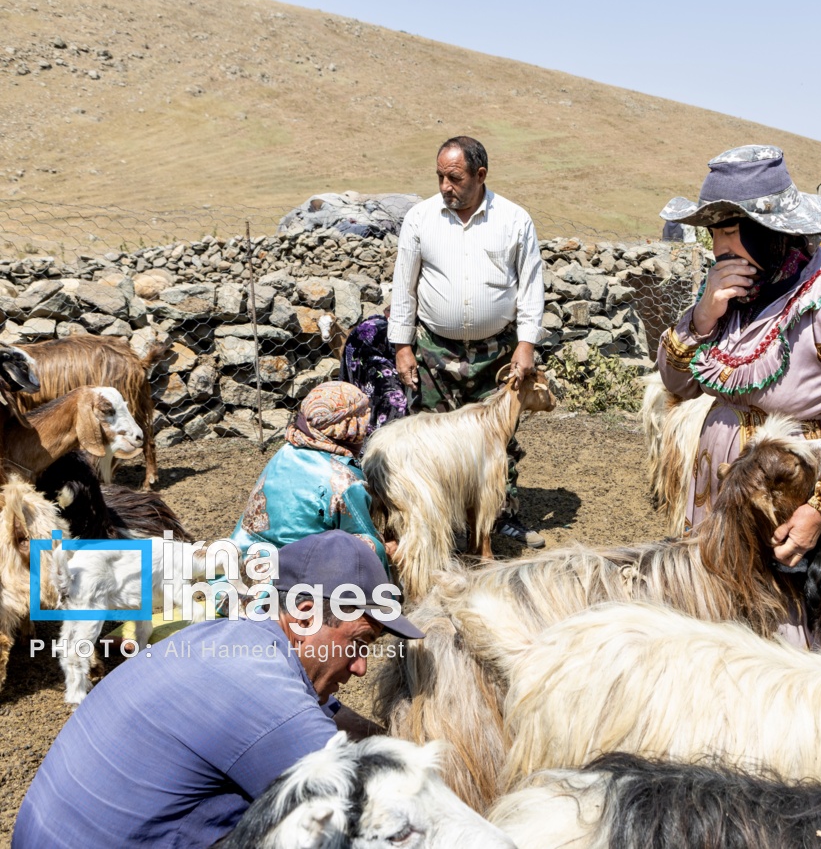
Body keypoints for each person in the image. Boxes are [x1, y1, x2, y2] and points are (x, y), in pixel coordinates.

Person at [13, 531, 426, 848]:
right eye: (358, 643)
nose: (360, 667)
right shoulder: (269, 699)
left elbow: (324, 710)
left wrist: (384, 737)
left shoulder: (232, 639)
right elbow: (387, 811)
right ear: (304, 616)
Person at [655, 145, 821, 631]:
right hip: (726, 507)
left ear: (770, 229)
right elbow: (677, 385)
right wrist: (703, 316)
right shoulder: (731, 297)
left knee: (802, 636)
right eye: (713, 233)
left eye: (730, 230)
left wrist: (818, 512)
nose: (719, 247)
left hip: (797, 508)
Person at [388, 135, 546, 549]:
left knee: (497, 440)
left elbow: (531, 286)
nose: (445, 186)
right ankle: (442, 523)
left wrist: (526, 343)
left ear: (480, 174)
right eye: (440, 177)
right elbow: (404, 286)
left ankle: (500, 518)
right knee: (434, 441)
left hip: (497, 354)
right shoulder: (420, 219)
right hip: (434, 352)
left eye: (455, 178)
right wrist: (402, 346)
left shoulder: (514, 220)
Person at [230, 380, 390, 569]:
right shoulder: (345, 480)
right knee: (373, 548)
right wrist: (386, 548)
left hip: (242, 559)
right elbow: (360, 538)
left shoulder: (286, 451)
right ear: (351, 426)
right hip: (292, 573)